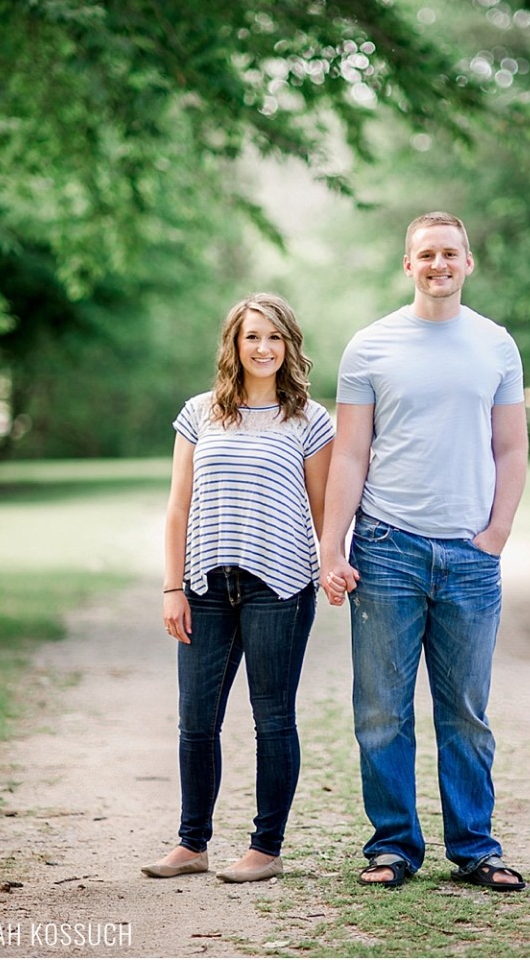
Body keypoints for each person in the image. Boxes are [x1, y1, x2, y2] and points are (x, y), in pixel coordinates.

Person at [319, 211, 528, 892]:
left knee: (465, 709)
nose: (438, 263)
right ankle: (392, 847)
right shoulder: (371, 347)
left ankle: (475, 848)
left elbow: (511, 446)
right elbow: (349, 452)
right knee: (381, 708)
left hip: (470, 555)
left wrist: (495, 534)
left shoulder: (496, 345)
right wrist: (333, 541)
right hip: (386, 548)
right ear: (408, 265)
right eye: (426, 253)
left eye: (450, 253)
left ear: (469, 263)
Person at [142, 293, 333, 884]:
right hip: (204, 584)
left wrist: (334, 566)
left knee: (272, 718)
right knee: (196, 719)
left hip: (279, 586)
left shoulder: (310, 420)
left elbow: (324, 509)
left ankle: (265, 849)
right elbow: (178, 507)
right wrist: (172, 587)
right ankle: (191, 843)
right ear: (234, 343)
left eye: (274, 337)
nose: (263, 348)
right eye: (253, 336)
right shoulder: (200, 412)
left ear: (290, 346)